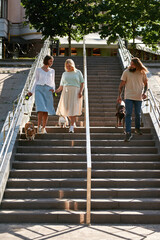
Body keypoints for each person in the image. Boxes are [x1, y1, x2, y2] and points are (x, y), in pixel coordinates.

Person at [117, 57, 148, 142]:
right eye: (130, 64)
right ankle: (128, 133)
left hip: (138, 97)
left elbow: (146, 84)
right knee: (128, 114)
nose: (131, 66)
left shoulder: (142, 73)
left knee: (138, 114)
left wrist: (145, 93)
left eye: (133, 64)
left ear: (137, 65)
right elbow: (121, 85)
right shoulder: (126, 72)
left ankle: (137, 129)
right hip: (129, 97)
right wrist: (119, 96)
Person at [28, 55, 56, 133]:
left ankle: (44, 127)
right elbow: (36, 81)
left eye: (52, 61)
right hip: (39, 90)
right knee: (40, 109)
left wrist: (53, 89)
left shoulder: (52, 71)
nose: (52, 62)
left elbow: (52, 81)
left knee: (46, 110)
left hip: (48, 90)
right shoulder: (38, 70)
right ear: (46, 61)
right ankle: (38, 126)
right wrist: (31, 91)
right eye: (50, 61)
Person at [56, 59, 84, 133]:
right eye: (67, 66)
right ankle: (72, 122)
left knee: (73, 109)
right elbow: (61, 86)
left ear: (72, 65)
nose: (68, 67)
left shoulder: (78, 72)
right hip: (66, 92)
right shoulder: (64, 74)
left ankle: (71, 127)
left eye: (69, 65)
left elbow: (82, 83)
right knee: (66, 109)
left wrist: (81, 92)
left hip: (75, 91)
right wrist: (56, 91)